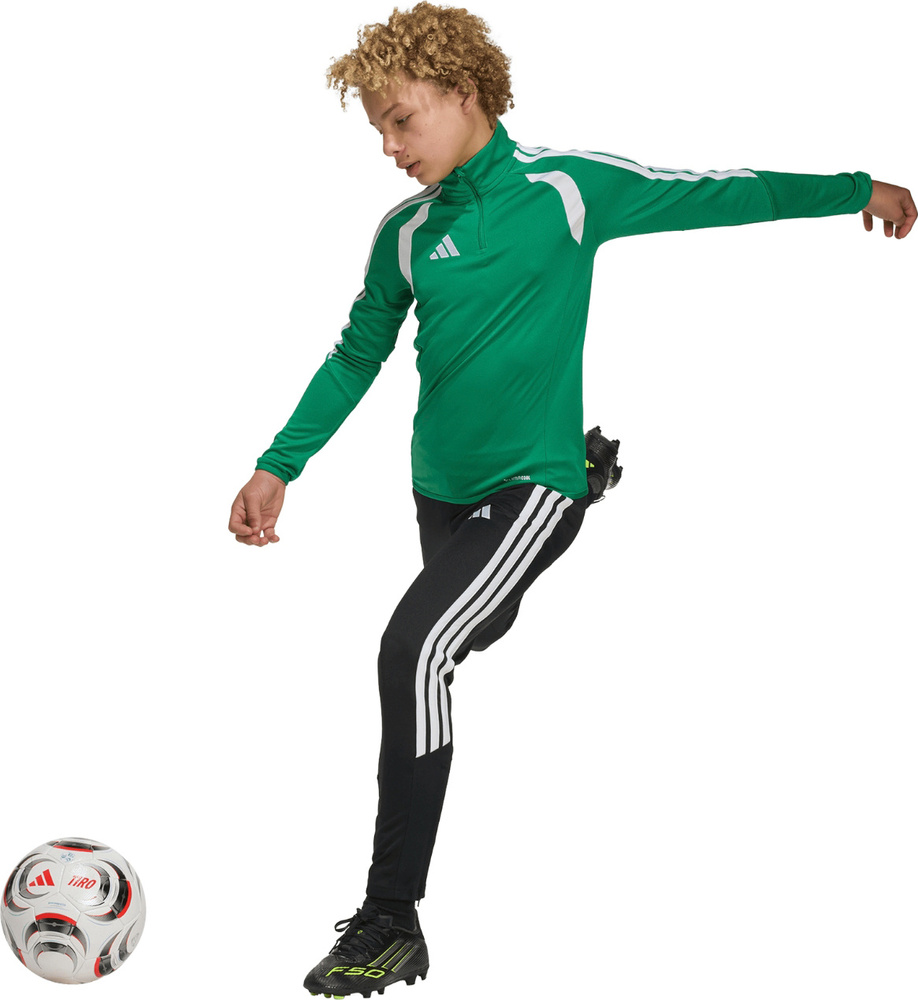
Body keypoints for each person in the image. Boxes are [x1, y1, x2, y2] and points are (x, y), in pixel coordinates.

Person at [227, 4, 914, 995]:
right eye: (377, 127)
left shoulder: (567, 190)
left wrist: (859, 188)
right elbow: (354, 356)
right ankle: (581, 490)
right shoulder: (405, 234)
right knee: (472, 628)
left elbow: (721, 191)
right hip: (438, 491)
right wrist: (278, 464)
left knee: (414, 651)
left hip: (527, 483)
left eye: (402, 120)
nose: (388, 147)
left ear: (465, 94)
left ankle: (390, 917)